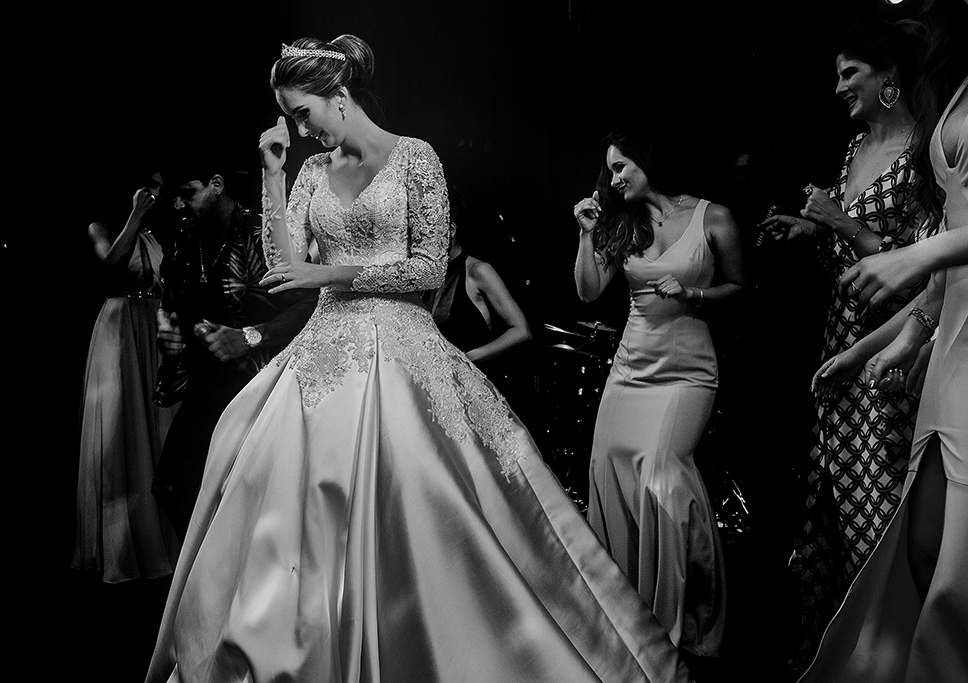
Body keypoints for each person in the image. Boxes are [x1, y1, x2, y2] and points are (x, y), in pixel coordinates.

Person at [146, 35, 690, 683]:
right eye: (289, 117)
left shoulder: (415, 159)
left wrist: (329, 276)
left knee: (422, 498)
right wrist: (271, 172)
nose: (297, 127)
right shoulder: (310, 173)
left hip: (403, 351)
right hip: (323, 354)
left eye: (300, 112)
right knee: (288, 481)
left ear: (337, 97)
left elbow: (429, 270)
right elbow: (277, 266)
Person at [800, 0, 968, 681]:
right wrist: (902, 335)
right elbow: (966, 212)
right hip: (959, 328)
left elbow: (967, 232)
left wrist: (918, 257)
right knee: (925, 540)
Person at [758, 19, 937, 665]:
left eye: (849, 73)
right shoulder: (855, 150)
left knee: (883, 510)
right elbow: (853, 247)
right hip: (838, 338)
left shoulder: (926, 152)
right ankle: (846, 656)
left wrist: (839, 220)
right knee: (833, 509)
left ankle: (903, 658)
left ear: (890, 77)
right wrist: (811, 232)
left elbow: (924, 274)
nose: (837, 88)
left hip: (896, 350)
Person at [573, 127, 745, 661]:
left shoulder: (711, 216)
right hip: (631, 368)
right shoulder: (618, 222)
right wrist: (585, 234)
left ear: (649, 160)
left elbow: (741, 289)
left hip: (687, 370)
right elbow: (587, 291)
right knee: (609, 472)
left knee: (665, 478)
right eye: (611, 170)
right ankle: (627, 615)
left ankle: (691, 619)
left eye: (622, 166)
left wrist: (694, 292)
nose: (614, 177)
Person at [151, 164, 317, 542]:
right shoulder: (185, 237)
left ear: (217, 185)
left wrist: (252, 336)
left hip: (259, 385)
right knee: (173, 487)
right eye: (173, 196)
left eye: (187, 193)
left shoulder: (262, 235)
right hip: (205, 382)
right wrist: (167, 328)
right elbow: (170, 302)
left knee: (247, 498)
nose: (178, 204)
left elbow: (311, 304)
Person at [72, 169, 181, 583]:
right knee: (121, 422)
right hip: (120, 329)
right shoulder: (101, 228)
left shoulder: (156, 235)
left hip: (152, 329)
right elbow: (112, 269)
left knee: (155, 424)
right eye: (149, 185)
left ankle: (162, 536)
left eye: (159, 185)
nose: (156, 193)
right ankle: (122, 545)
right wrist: (135, 216)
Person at [427, 185, 533, 390]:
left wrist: (469, 357)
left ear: (451, 230)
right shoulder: (428, 276)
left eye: (430, 229)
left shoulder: (478, 271)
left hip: (472, 386)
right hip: (436, 387)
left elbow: (521, 330)